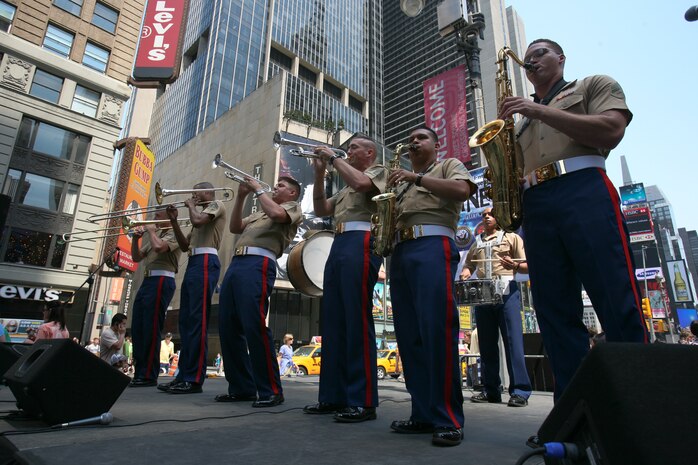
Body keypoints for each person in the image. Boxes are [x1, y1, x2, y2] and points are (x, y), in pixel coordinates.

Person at [498, 39, 648, 403]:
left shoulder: (591, 85)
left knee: (615, 294)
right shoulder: (520, 120)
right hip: (537, 203)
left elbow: (611, 129)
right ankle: (574, 411)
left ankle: (640, 405)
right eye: (528, 57)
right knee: (553, 311)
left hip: (584, 188)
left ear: (561, 59)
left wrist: (539, 112)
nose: (532, 60)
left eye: (541, 53)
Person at [387, 127, 476, 447]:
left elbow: (463, 191)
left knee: (436, 331)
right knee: (410, 338)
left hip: (433, 245)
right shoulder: (399, 183)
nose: (413, 141)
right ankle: (422, 413)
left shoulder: (447, 164)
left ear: (436, 145)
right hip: (400, 252)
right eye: (410, 138)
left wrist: (415, 179)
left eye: (421, 138)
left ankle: (448, 418)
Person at [302, 133, 387, 423]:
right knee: (334, 321)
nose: (348, 151)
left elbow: (363, 184)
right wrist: (318, 172)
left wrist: (333, 158)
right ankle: (332, 395)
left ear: (369, 153)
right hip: (339, 243)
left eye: (353, 148)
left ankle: (362, 401)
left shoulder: (378, 171)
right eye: (347, 148)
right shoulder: (344, 187)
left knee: (356, 319)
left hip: (362, 240)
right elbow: (321, 208)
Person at [215, 175, 301, 407]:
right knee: (228, 326)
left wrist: (256, 189)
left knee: (253, 324)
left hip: (259, 263)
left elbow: (276, 214)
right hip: (237, 264)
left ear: (292, 193)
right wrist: (242, 195)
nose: (276, 187)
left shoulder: (292, 208)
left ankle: (271, 389)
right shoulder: (260, 211)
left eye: (282, 186)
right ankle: (242, 387)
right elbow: (234, 227)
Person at [460, 207, 532, 407]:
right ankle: (491, 389)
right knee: (486, 344)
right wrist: (466, 273)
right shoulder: (477, 241)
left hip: (507, 290)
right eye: (483, 215)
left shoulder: (511, 237)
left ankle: (520, 390)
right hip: (483, 293)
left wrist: (516, 266)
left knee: (513, 342)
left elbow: (528, 264)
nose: (486, 216)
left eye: (490, 214)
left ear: (499, 216)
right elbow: (469, 265)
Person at [160, 182, 226, 394]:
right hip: (194, 261)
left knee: (197, 319)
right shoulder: (199, 213)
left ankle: (194, 378)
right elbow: (184, 245)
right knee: (187, 321)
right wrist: (173, 221)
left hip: (207, 260)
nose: (192, 195)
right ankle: (182, 375)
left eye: (195, 192)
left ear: (208, 192)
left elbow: (198, 221)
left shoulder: (216, 204)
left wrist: (190, 206)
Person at [129, 210, 182, 387]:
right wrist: (136, 239)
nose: (154, 220)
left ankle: (149, 374)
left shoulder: (174, 232)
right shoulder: (157, 234)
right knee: (138, 326)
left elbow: (160, 248)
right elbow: (137, 257)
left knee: (151, 326)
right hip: (148, 279)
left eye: (158, 216)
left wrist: (150, 231)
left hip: (162, 279)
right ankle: (139, 371)